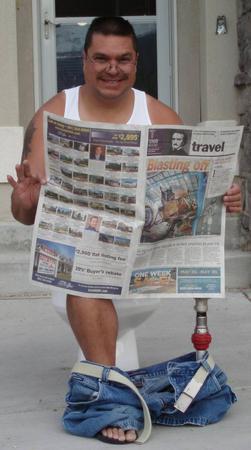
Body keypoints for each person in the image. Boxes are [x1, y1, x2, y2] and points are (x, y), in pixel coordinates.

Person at [7, 16, 242, 444]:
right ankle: (112, 400)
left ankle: (103, 393)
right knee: (83, 269)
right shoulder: (55, 115)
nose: (111, 68)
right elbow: (26, 215)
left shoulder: (157, 114)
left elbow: (193, 190)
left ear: (136, 62)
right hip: (81, 257)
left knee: (98, 271)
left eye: (122, 59)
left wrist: (226, 198)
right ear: (84, 60)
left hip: (142, 257)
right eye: (101, 58)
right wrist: (23, 200)